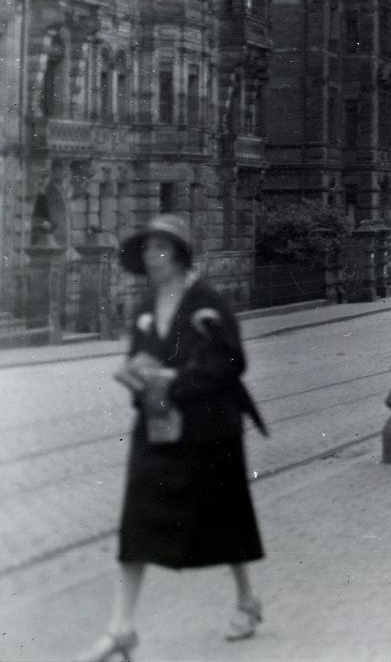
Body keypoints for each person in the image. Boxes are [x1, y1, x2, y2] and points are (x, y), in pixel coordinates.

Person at [82, 214, 267, 662]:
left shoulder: (207, 302)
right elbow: (138, 357)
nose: (152, 257)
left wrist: (172, 378)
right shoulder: (146, 307)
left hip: (208, 429)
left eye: (161, 249)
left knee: (222, 518)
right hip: (158, 425)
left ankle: (246, 600)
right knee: (136, 519)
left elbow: (230, 362)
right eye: (147, 250)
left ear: (180, 255)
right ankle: (121, 628)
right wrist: (136, 376)